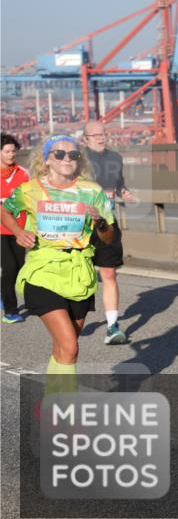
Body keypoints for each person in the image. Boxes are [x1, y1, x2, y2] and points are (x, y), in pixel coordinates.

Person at [0, 135, 115, 394]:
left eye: (73, 155)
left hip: (79, 274)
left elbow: (110, 237)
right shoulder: (31, 189)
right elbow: (4, 210)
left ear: (79, 160)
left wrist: (99, 221)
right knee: (70, 345)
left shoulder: (92, 191)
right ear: (47, 159)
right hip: (43, 271)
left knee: (66, 347)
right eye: (59, 154)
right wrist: (18, 232)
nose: (66, 159)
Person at [81, 121, 137, 345]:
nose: (100, 138)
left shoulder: (115, 158)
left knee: (109, 274)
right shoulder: (77, 160)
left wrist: (125, 192)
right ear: (85, 139)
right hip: (81, 226)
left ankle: (112, 327)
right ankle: (75, 316)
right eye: (94, 135)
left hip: (108, 224)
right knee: (81, 276)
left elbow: (119, 184)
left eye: (102, 134)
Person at [2, 133, 30, 323]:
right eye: (7, 151)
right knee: (9, 267)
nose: (12, 154)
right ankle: (10, 311)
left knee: (20, 268)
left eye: (14, 151)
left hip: (20, 229)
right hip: (0, 230)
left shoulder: (23, 174)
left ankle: (2, 291)